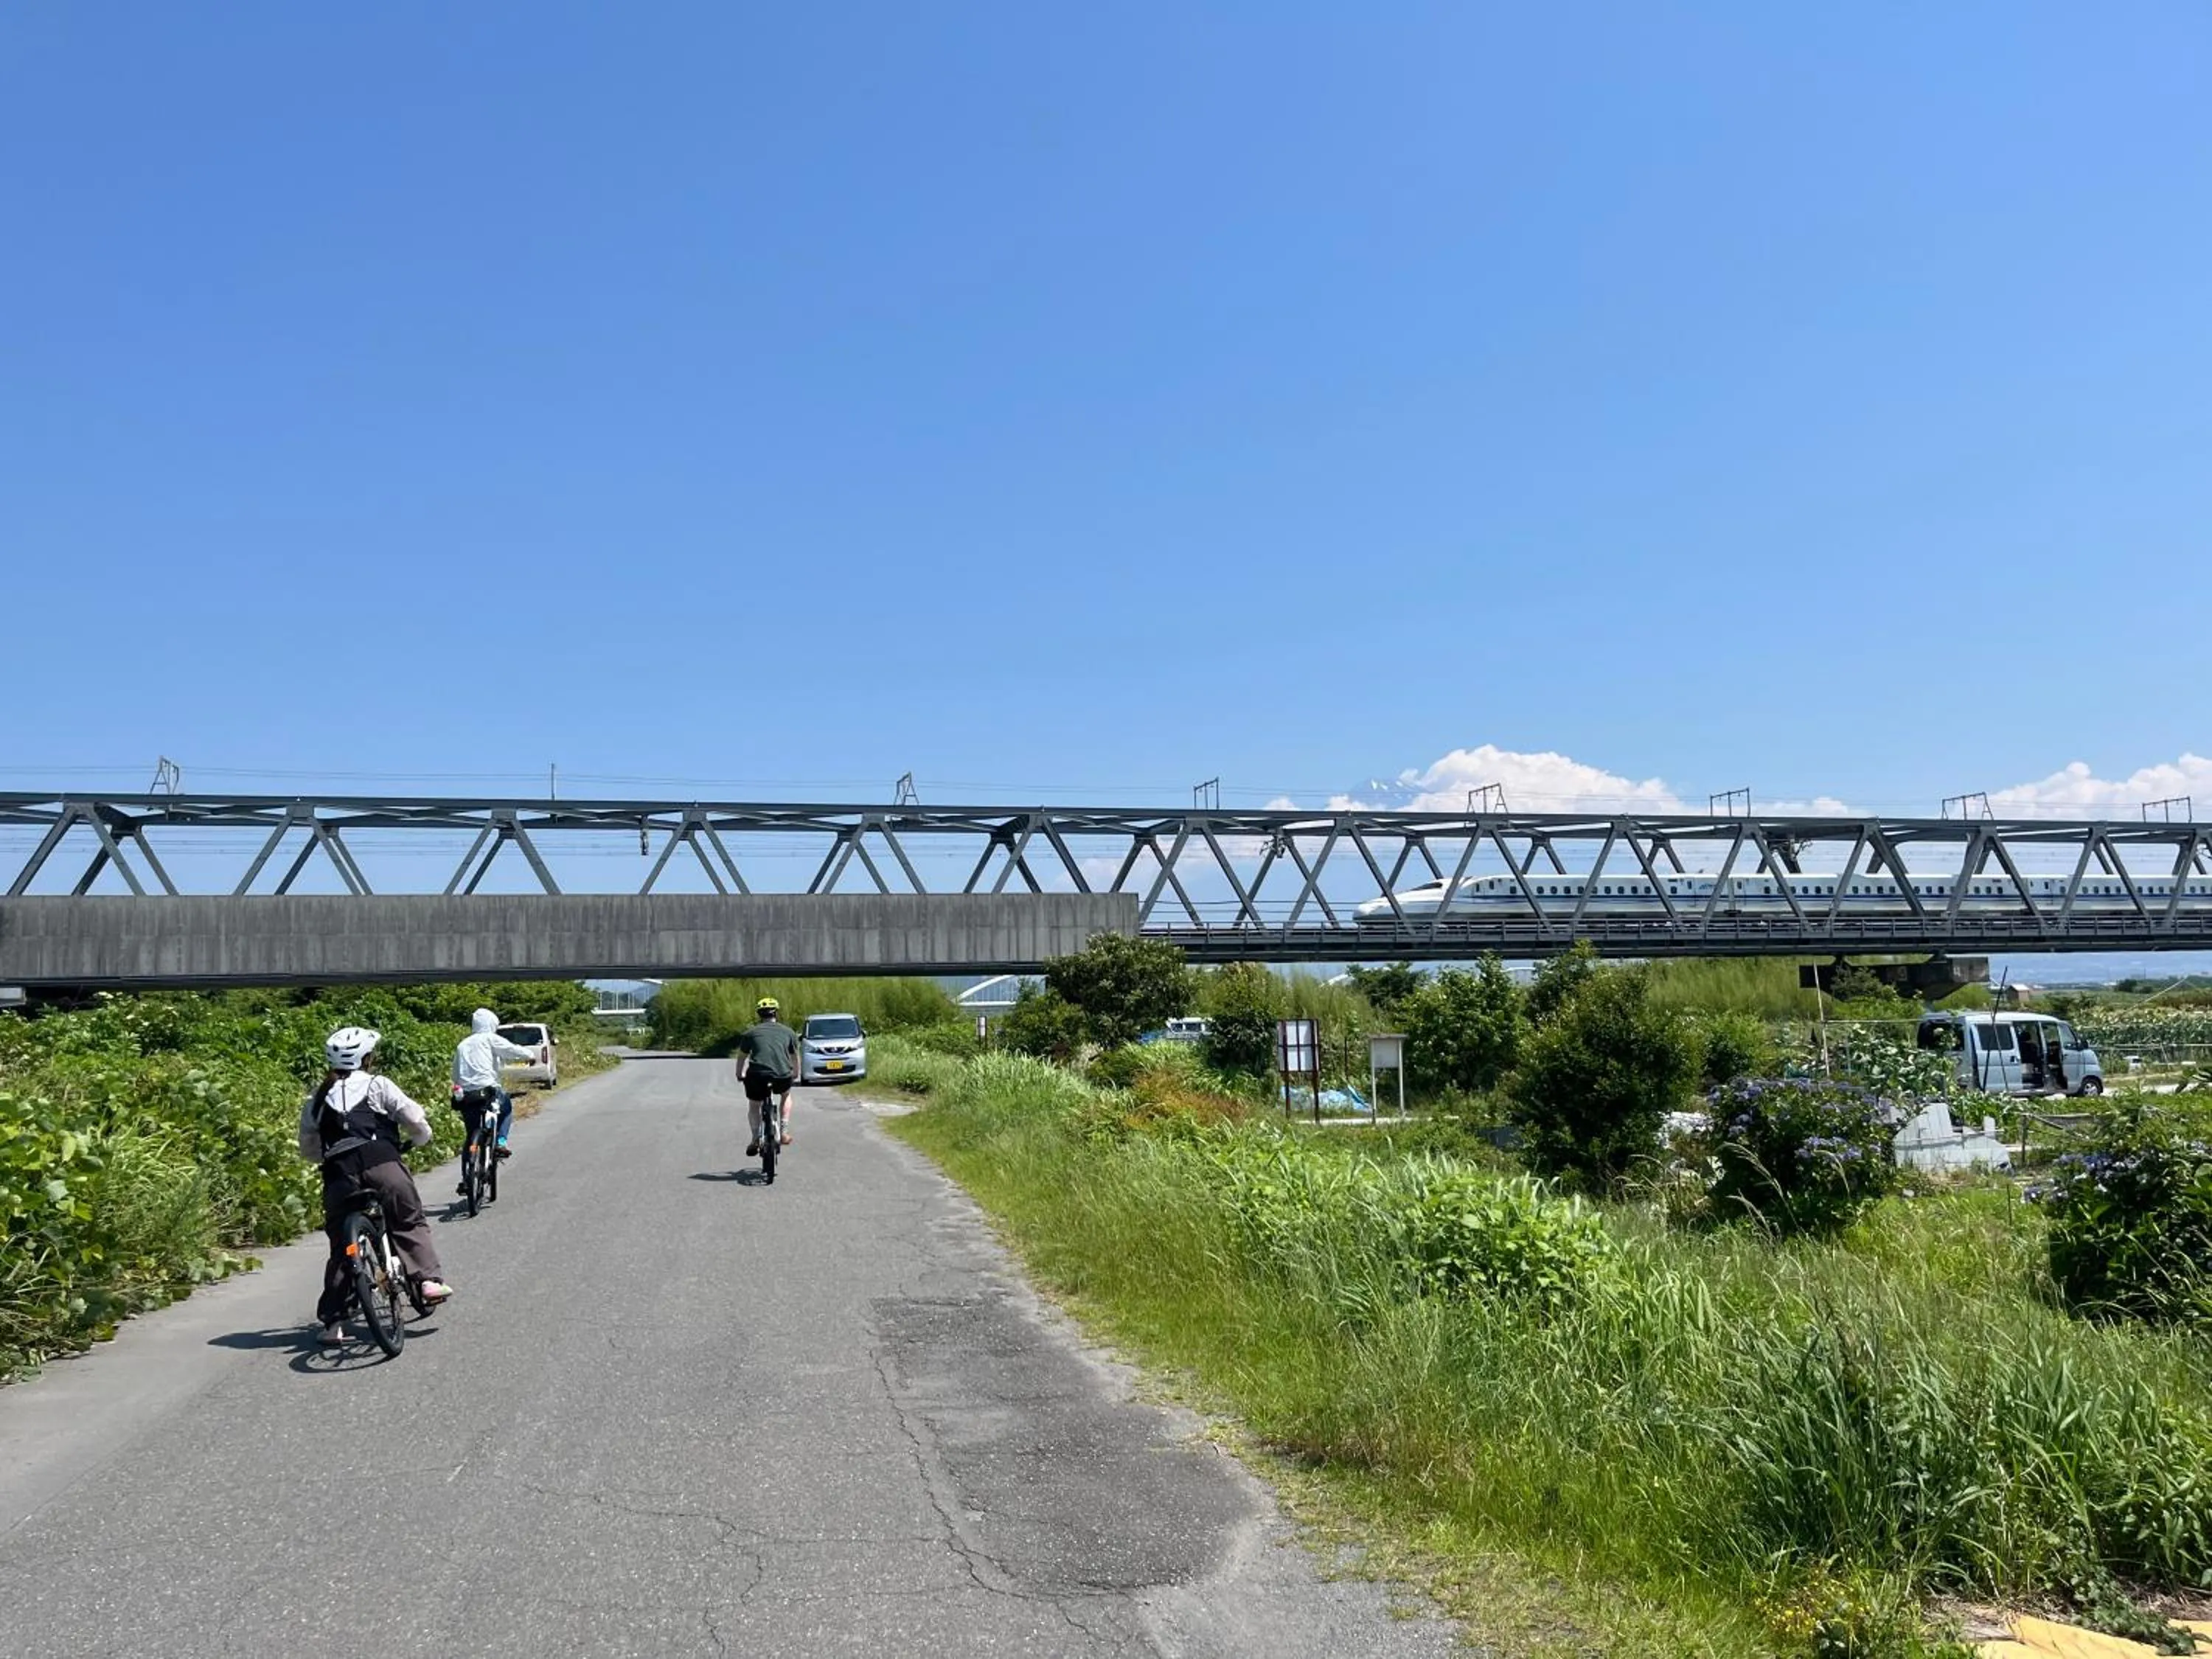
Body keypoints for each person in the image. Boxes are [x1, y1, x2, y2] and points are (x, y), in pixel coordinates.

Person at [297, 1026, 452, 1346]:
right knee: (408, 1220)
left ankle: (334, 1324)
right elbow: (414, 1118)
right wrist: (421, 1138)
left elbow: (309, 1147)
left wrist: (327, 1158)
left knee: (342, 1246)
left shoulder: (316, 1098)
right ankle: (427, 1282)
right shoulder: (378, 1085)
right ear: (366, 1058)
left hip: (339, 1174)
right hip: (382, 1163)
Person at [451, 1008, 538, 1178]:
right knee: (506, 1109)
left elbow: (455, 1075)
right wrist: (529, 1055)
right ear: (491, 1024)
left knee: (471, 1136)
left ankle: (466, 1178)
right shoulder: (490, 1038)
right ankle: (500, 1142)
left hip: (467, 1096)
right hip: (489, 1091)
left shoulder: (463, 1045)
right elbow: (512, 1050)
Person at [734, 996, 799, 1158]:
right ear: (776, 1013)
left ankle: (755, 1138)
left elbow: (742, 1057)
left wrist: (739, 1074)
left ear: (759, 1015)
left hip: (758, 1075)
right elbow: (795, 1057)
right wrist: (796, 1074)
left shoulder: (750, 1033)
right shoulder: (788, 1032)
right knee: (786, 1095)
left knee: (754, 1104)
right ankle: (784, 1132)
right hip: (782, 1075)